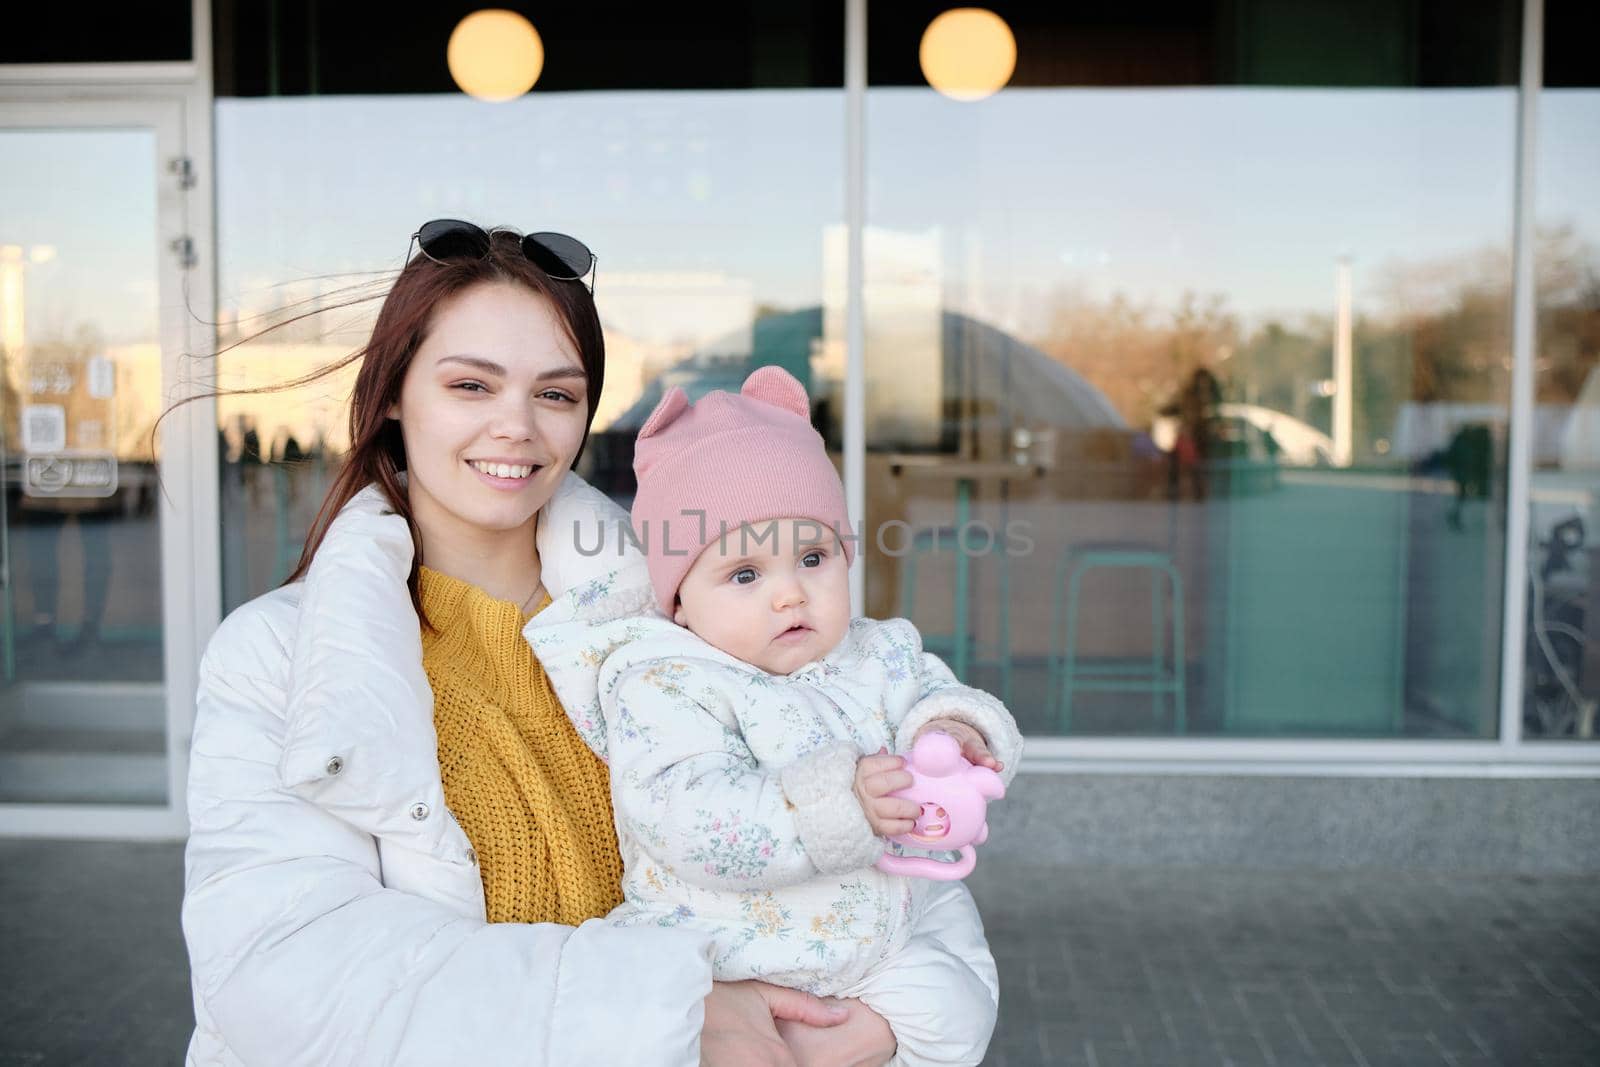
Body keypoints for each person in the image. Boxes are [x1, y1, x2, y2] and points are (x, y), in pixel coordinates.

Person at [180, 222, 907, 1065]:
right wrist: (673, 1011)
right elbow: (280, 975)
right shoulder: (273, 655)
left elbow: (896, 857)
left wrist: (899, 1022)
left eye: (556, 395)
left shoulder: (696, 610)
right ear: (391, 395)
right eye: (471, 386)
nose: (516, 426)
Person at [526, 366, 1024, 1066]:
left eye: (813, 557)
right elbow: (683, 816)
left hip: (877, 948)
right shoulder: (668, 682)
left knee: (957, 1009)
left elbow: (940, 697)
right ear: (680, 601)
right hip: (729, 959)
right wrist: (836, 804)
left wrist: (956, 734)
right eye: (745, 575)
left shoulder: (875, 653)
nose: (790, 594)